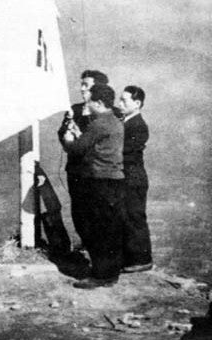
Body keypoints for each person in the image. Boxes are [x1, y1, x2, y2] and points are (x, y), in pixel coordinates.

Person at [61, 83, 125, 289]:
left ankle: (100, 275)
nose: (87, 106)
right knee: (109, 229)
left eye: (90, 103)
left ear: (98, 103)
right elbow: (96, 145)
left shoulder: (99, 124)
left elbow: (76, 149)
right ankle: (110, 273)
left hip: (99, 181)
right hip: (114, 181)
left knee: (97, 230)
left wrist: (68, 138)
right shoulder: (114, 121)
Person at [57, 70, 111, 249]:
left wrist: (80, 137)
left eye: (86, 85)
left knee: (100, 210)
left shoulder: (111, 113)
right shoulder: (75, 110)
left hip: (99, 171)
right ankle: (87, 244)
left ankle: (101, 248)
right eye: (81, 84)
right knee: (79, 210)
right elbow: (62, 133)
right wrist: (67, 136)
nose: (81, 89)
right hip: (77, 170)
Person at [118, 85, 152, 273]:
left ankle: (142, 260)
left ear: (137, 103)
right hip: (127, 177)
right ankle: (130, 259)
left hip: (133, 178)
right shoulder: (125, 122)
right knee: (126, 217)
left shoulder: (138, 125)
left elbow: (125, 151)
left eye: (124, 100)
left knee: (134, 218)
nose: (120, 104)